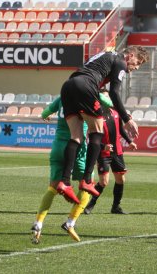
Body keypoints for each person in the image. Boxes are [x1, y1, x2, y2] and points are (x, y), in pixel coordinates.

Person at [56, 46, 149, 204]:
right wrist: (127, 119)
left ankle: (64, 182)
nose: (136, 67)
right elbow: (114, 92)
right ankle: (86, 180)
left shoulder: (106, 55)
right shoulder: (120, 61)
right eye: (137, 62)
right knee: (97, 131)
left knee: (76, 137)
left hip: (68, 86)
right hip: (85, 86)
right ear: (130, 55)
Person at [31, 94, 113, 244]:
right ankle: (70, 223)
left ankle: (39, 222)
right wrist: (98, 94)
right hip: (77, 148)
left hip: (58, 146)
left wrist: (47, 116)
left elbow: (44, 113)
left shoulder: (62, 97)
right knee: (88, 185)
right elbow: (109, 102)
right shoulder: (87, 96)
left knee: (53, 187)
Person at [83, 100, 137, 215]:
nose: (108, 100)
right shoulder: (96, 116)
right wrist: (103, 146)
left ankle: (116, 207)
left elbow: (121, 129)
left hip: (117, 152)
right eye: (105, 98)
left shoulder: (115, 113)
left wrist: (129, 141)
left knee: (120, 179)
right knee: (103, 182)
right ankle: (90, 205)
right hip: (103, 153)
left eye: (109, 98)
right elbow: (90, 138)